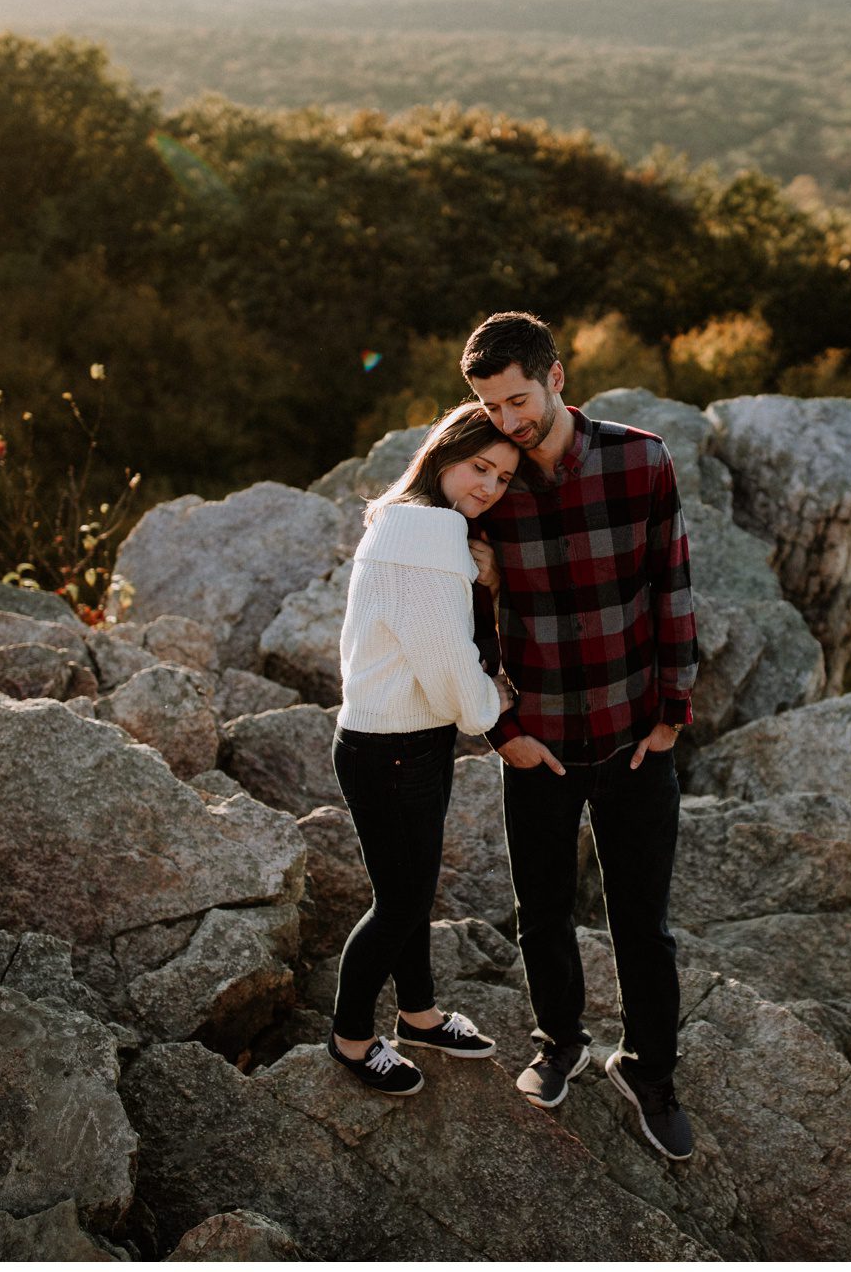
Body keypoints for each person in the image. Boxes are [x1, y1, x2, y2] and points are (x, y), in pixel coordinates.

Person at [463, 310, 699, 1161]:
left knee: (645, 924)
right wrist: (504, 733)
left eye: (518, 399)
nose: (509, 422)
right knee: (543, 914)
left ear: (556, 378)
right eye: (492, 407)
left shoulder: (642, 460)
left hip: (636, 735)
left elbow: (672, 583)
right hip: (539, 744)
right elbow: (470, 619)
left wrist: (673, 713)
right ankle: (558, 1041)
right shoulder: (489, 481)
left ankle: (649, 1069)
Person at [327, 402, 521, 1095]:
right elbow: (453, 675)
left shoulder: (404, 520)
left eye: (502, 478)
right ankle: (351, 1038)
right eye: (479, 467)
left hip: (393, 741)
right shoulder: (428, 531)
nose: (488, 488)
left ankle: (419, 1014)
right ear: (444, 455)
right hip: (395, 750)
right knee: (401, 905)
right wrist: (496, 702)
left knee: (407, 893)